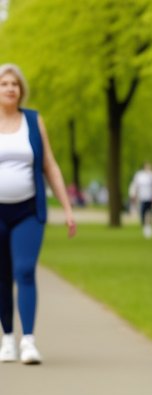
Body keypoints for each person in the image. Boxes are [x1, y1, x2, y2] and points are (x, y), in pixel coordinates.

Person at [0, 64, 75, 365]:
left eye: (14, 84)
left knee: (25, 270)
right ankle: (8, 339)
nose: (9, 88)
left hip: (28, 211)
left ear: (21, 90)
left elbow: (51, 167)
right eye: (4, 84)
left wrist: (68, 208)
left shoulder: (33, 120)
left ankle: (28, 340)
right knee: (2, 277)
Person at [129, 161, 152, 237]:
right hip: (142, 197)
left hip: (150, 197)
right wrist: (135, 195)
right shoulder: (139, 175)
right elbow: (136, 185)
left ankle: (149, 225)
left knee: (149, 212)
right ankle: (143, 225)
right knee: (143, 211)